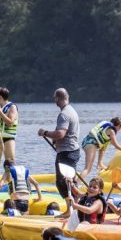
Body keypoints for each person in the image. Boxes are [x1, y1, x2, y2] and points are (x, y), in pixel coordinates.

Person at [38, 88, 80, 218]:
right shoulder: (71, 110)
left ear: (58, 98)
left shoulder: (64, 114)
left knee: (63, 182)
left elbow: (60, 133)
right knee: (69, 181)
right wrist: (55, 141)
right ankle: (75, 208)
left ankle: (71, 210)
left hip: (67, 152)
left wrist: (45, 133)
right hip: (70, 150)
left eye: (54, 98)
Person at [0, 87, 19, 178]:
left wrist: (0, 113)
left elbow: (10, 122)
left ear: (0, 98)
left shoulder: (12, 107)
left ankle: (11, 184)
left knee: (10, 163)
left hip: (8, 138)